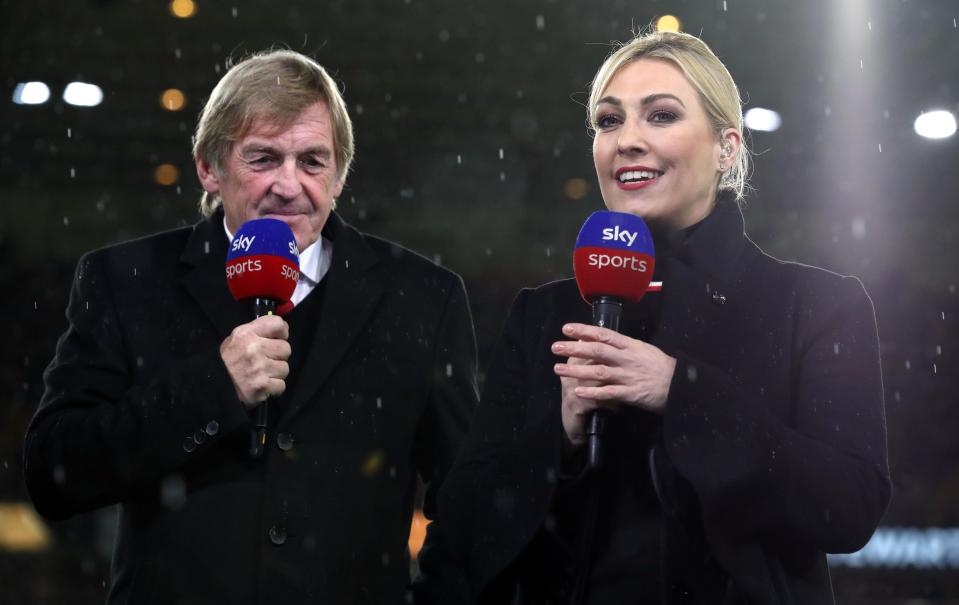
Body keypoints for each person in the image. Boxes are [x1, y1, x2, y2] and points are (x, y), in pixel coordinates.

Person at [418, 30, 891, 604]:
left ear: (727, 147)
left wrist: (680, 392)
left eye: (661, 115)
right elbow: (459, 531)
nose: (627, 141)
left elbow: (848, 507)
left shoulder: (816, 304)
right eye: (609, 121)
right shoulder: (543, 314)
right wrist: (560, 438)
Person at [23, 50, 478, 604]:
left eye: (312, 162)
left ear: (339, 177)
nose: (289, 186)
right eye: (263, 158)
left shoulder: (423, 299)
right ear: (208, 168)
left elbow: (467, 494)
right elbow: (55, 472)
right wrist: (215, 386)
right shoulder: (125, 282)